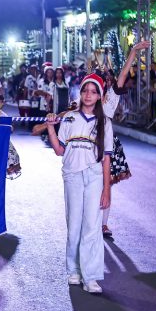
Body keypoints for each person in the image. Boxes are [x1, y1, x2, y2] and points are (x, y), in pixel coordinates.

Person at [45, 73, 113, 295]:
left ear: (99, 96)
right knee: (74, 223)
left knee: (92, 225)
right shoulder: (69, 118)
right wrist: (50, 128)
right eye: (85, 91)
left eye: (93, 92)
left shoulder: (105, 122)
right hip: (72, 175)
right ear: (80, 93)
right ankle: (73, 270)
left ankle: (90, 276)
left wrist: (106, 189)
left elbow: (106, 158)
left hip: (94, 176)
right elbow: (59, 150)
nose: (88, 95)